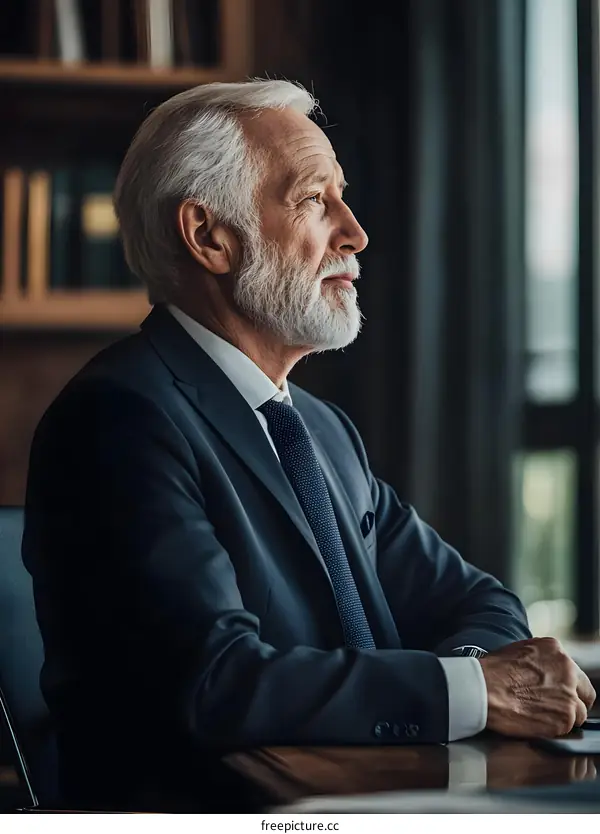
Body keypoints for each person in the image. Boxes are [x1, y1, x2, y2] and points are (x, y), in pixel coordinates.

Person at [23, 79, 595, 810]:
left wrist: (475, 681)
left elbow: (479, 602)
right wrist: (472, 690)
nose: (355, 232)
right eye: (314, 200)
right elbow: (215, 682)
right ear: (209, 237)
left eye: (342, 196)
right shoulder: (119, 419)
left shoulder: (320, 429)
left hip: (367, 795)